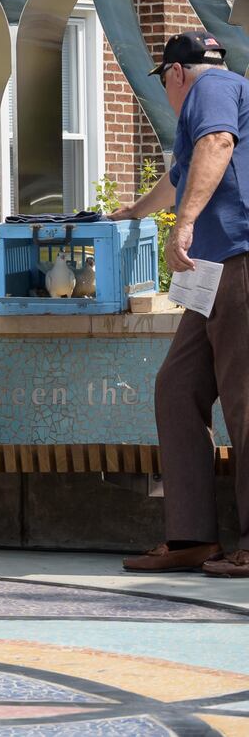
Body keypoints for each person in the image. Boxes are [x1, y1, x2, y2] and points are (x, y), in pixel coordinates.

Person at [114, 30, 249, 577]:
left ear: (174, 73)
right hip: (212, 274)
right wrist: (131, 214)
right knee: (177, 388)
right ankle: (192, 535)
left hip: (240, 260)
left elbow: (217, 145)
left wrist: (186, 225)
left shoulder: (211, 87)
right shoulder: (213, 93)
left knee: (245, 403)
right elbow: (179, 182)